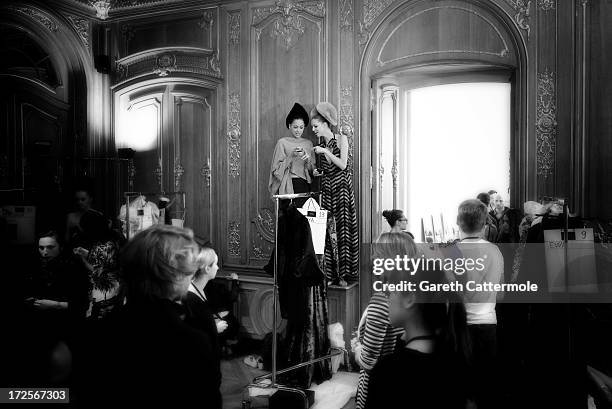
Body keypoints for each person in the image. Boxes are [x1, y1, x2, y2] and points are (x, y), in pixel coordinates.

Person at [78, 225, 220, 407]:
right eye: (189, 270)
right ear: (176, 276)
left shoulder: (98, 331)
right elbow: (208, 398)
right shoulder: (189, 341)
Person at [364, 262, 470, 409]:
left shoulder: (390, 373)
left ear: (410, 299)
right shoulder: (452, 355)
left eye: (391, 292)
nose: (387, 299)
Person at [353, 232, 417, 409]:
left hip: (380, 388)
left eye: (378, 254)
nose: (373, 258)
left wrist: (357, 347)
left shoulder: (383, 300)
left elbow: (368, 362)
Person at [455, 199, 504, 409]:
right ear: (485, 225)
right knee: (486, 387)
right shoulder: (495, 251)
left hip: (457, 326)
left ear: (458, 222)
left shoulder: (447, 251)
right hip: (487, 324)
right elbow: (501, 295)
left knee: (458, 388)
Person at [311, 102, 359, 281]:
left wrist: (325, 151)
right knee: (327, 231)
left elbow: (343, 164)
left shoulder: (341, 139)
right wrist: (317, 171)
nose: (314, 130)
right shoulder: (320, 143)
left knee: (343, 231)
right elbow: (327, 169)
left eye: (316, 126)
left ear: (325, 124)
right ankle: (331, 274)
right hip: (327, 190)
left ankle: (345, 274)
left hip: (342, 190)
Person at [183, 247, 225, 397]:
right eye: (215, 264)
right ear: (207, 268)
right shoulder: (190, 296)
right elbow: (190, 330)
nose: (218, 267)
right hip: (198, 362)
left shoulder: (198, 289)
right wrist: (214, 328)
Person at [73, 210, 121, 320]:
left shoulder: (106, 245)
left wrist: (82, 259)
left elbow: (97, 271)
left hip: (106, 291)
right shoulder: (105, 240)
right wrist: (86, 252)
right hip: (103, 291)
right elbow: (99, 259)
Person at [269, 102, 315, 206]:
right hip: (286, 185)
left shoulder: (308, 144)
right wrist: (291, 156)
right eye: (295, 127)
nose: (298, 130)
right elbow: (275, 170)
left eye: (301, 127)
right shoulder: (282, 142)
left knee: (303, 218)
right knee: (287, 220)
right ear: (289, 126)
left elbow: (313, 172)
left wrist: (307, 159)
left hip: (303, 185)